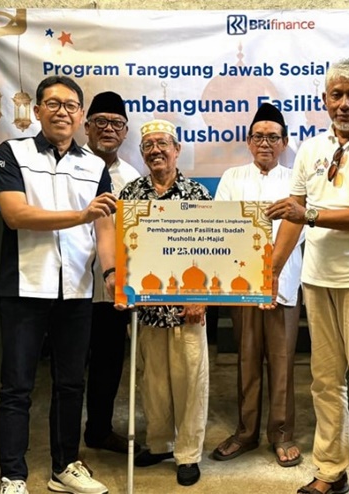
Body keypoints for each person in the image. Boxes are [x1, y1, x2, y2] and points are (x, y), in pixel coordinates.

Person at [265, 58, 349, 494]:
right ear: (325, 100)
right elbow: (292, 217)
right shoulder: (311, 149)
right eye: (337, 95)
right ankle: (330, 470)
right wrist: (270, 271)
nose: (344, 104)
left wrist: (309, 214)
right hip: (318, 278)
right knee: (325, 382)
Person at [0, 75, 114, 494]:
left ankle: (65, 467)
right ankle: (13, 475)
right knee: (17, 386)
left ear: (81, 116)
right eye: (53, 104)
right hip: (24, 287)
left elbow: (105, 228)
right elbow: (16, 215)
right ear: (38, 110)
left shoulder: (95, 166)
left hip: (75, 289)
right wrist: (80, 215)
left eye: (71, 105)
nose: (62, 111)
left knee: (71, 384)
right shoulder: (12, 153)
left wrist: (111, 274)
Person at [118, 119, 212, 487]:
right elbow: (124, 247)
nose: (156, 151)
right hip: (147, 309)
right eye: (148, 146)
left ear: (177, 150)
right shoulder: (132, 193)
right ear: (142, 153)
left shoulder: (197, 193)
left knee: (191, 383)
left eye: (163, 144)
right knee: (153, 382)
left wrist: (200, 297)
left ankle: (187, 454)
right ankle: (159, 444)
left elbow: (212, 248)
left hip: (188, 309)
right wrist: (124, 289)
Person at [211, 103, 304, 468]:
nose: (265, 143)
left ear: (284, 142)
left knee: (282, 361)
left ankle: (281, 434)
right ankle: (246, 432)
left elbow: (301, 231)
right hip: (243, 282)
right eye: (259, 137)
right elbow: (222, 226)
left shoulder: (296, 180)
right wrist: (254, 271)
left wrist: (273, 268)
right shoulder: (232, 177)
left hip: (285, 282)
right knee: (247, 358)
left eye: (273, 137)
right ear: (249, 142)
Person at [81, 91, 142, 455]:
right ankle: (63, 445)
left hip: (112, 288)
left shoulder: (131, 177)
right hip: (71, 284)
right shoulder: (70, 166)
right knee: (70, 367)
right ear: (86, 127)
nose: (108, 129)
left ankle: (99, 431)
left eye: (116, 124)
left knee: (108, 363)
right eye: (101, 122)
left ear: (125, 132)